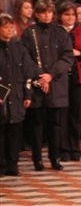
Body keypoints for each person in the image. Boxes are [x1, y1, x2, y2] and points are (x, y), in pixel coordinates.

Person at [21, 0, 74, 171]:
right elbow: (25, 58)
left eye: (50, 12)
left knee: (55, 124)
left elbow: (67, 57)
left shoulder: (60, 32)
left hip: (56, 83)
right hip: (37, 84)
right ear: (36, 14)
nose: (47, 15)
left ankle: (54, 158)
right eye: (43, 12)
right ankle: (37, 159)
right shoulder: (29, 33)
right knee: (36, 124)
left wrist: (50, 75)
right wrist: (40, 75)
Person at [0, 13, 40, 177]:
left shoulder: (19, 48)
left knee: (15, 132)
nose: (10, 30)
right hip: (2, 97)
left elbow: (27, 73)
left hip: (16, 96)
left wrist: (28, 95)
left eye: (11, 27)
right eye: (6, 27)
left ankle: (13, 163)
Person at [58, 1, 81, 162]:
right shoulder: (56, 31)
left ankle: (75, 146)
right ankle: (63, 148)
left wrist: (79, 53)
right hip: (60, 77)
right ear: (60, 16)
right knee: (62, 114)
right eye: (67, 14)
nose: (71, 17)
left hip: (80, 76)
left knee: (77, 114)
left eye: (73, 14)